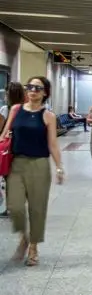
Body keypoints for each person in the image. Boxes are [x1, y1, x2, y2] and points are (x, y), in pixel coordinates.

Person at [1, 76, 64, 266]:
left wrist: (59, 166)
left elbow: (52, 144)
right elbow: (4, 134)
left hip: (39, 164)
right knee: (15, 207)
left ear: (45, 92)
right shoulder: (16, 109)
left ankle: (33, 246)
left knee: (37, 209)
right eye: (30, 87)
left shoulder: (48, 116)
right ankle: (24, 236)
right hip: (17, 164)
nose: (33, 90)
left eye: (38, 88)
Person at [0, 82, 26, 218]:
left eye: (6, 93)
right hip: (22, 148)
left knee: (7, 176)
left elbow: (1, 130)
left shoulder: (6, 109)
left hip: (7, 148)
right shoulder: (26, 108)